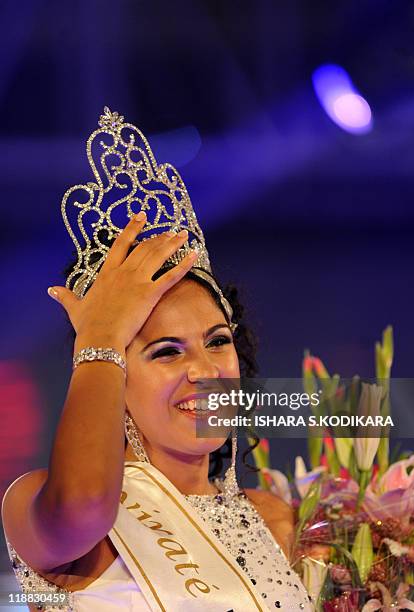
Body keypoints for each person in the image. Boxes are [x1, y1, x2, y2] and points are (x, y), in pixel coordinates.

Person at [1, 108, 312, 611]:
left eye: (216, 341)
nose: (205, 371)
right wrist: (100, 333)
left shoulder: (278, 519)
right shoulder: (46, 509)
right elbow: (82, 505)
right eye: (167, 351)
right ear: (112, 371)